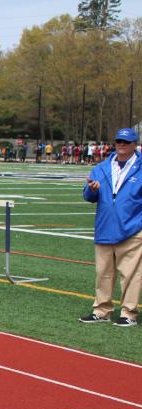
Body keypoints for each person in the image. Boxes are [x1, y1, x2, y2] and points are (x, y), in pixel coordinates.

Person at [80, 127, 142, 327]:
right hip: (105, 226)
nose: (121, 145)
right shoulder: (102, 167)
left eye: (126, 142)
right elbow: (88, 195)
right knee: (103, 273)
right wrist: (92, 190)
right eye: (118, 141)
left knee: (131, 274)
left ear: (135, 144)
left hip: (133, 228)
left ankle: (128, 313)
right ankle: (101, 310)